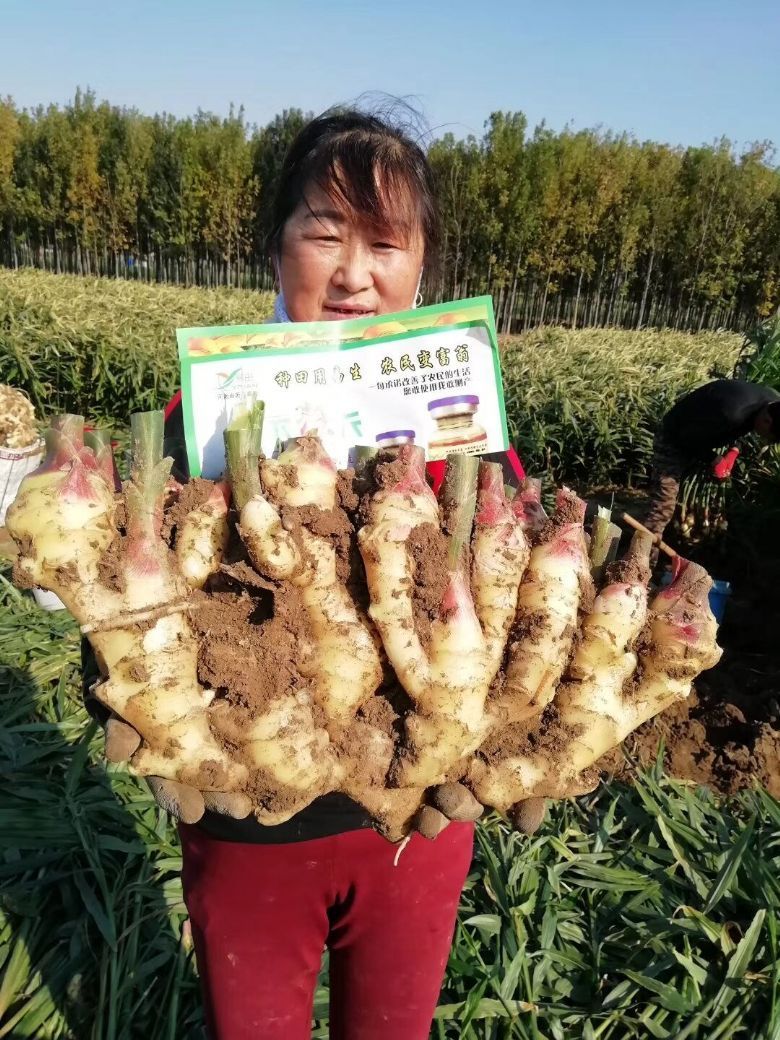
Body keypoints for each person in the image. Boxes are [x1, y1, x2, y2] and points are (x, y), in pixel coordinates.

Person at [84, 106, 533, 1040]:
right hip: (244, 812)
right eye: (325, 234)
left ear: (423, 265)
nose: (355, 274)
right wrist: (127, 680)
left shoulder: (467, 429)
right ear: (276, 245)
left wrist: (528, 728)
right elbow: (124, 578)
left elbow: (523, 598)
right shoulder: (201, 418)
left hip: (416, 813)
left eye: (386, 243)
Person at [645, 378, 780, 543]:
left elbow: (744, 424)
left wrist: (733, 451)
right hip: (673, 436)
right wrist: (714, 459)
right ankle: (641, 554)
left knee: (670, 499)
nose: (764, 439)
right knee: (663, 503)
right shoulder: (731, 413)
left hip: (702, 433)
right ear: (767, 420)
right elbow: (685, 437)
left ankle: (655, 533)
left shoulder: (773, 403)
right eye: (768, 436)